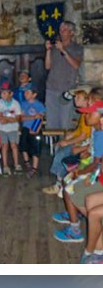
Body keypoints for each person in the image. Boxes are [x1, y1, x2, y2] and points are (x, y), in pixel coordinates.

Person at [53, 102, 103, 246]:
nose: (85, 116)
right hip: (94, 172)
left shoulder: (100, 135)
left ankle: (76, 228)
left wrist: (80, 173)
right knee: (67, 182)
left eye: (89, 113)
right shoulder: (98, 132)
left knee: (69, 188)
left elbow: (96, 164)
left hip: (94, 173)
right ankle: (75, 216)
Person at [43, 89, 91, 195]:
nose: (74, 99)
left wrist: (68, 142)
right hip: (79, 139)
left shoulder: (89, 115)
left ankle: (58, 183)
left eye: (78, 98)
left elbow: (84, 136)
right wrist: (70, 135)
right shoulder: (83, 114)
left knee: (62, 153)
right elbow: (79, 131)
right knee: (59, 145)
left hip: (83, 143)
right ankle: (61, 178)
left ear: (86, 100)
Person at [45, 20, 83, 132]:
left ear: (71, 33)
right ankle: (53, 147)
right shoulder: (54, 48)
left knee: (65, 122)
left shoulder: (76, 48)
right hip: (52, 88)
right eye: (61, 30)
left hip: (67, 90)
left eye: (65, 30)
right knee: (51, 122)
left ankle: (65, 147)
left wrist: (63, 50)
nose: (61, 32)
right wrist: (48, 51)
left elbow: (76, 65)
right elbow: (47, 66)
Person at [0, 84, 23, 175]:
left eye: (5, 93)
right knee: (4, 146)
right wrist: (6, 119)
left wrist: (6, 120)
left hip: (12, 128)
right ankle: (5, 165)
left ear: (11, 94)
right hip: (2, 128)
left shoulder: (15, 103)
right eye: (2, 92)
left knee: (14, 145)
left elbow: (18, 117)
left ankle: (16, 163)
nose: (2, 94)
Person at [19, 86, 46, 178]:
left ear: (34, 95)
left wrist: (36, 130)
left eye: (28, 92)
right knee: (23, 146)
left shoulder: (39, 105)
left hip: (35, 128)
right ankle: (27, 164)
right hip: (26, 127)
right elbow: (22, 117)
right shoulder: (23, 104)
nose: (25, 94)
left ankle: (34, 168)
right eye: (25, 92)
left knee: (35, 148)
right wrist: (32, 117)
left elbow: (40, 118)